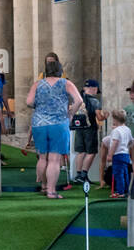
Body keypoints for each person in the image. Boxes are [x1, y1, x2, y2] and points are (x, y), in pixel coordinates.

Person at [25, 54, 84, 199]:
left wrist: (42, 106)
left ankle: (44, 187)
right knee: (54, 159)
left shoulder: (37, 84)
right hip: (58, 123)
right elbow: (79, 100)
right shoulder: (66, 83)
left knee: (42, 158)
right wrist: (70, 114)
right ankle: (52, 191)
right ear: (60, 70)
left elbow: (29, 102)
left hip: (39, 123)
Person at [70, 78, 103, 184]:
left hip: (79, 128)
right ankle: (84, 175)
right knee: (91, 152)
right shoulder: (95, 101)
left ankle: (78, 175)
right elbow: (99, 117)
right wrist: (105, 116)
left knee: (81, 152)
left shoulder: (78, 99)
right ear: (94, 89)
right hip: (91, 128)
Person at [105, 110, 134, 199]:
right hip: (125, 154)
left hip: (117, 155)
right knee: (125, 173)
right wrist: (126, 147)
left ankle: (120, 192)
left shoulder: (116, 131)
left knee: (118, 174)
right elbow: (132, 141)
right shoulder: (127, 129)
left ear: (116, 120)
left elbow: (115, 142)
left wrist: (110, 154)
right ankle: (126, 190)